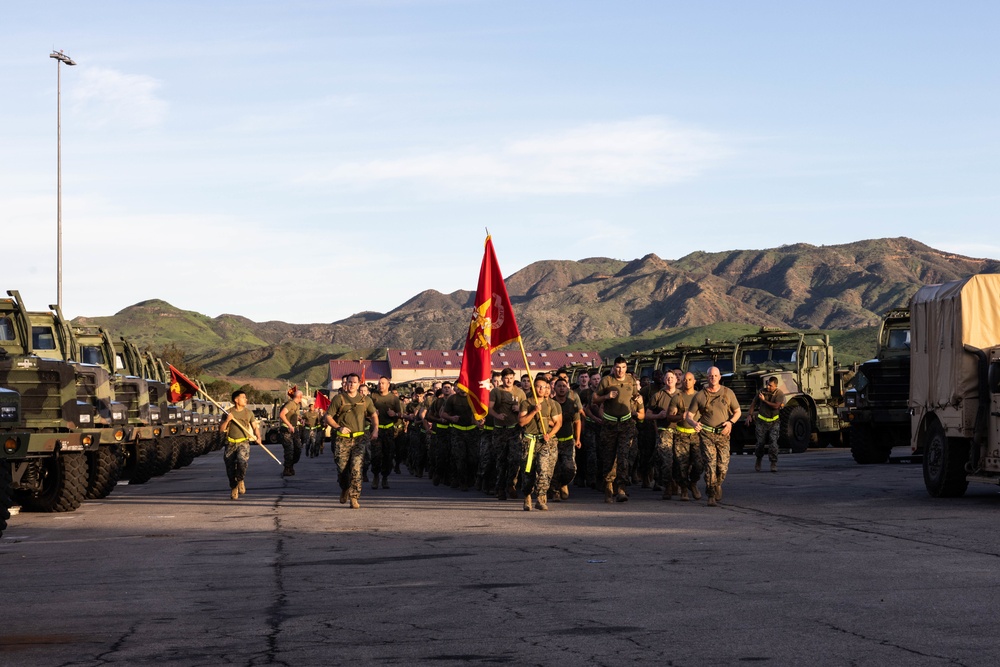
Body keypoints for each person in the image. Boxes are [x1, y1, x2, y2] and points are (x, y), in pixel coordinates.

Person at [684, 367, 741, 507]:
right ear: (707, 377)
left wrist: (730, 423)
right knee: (710, 463)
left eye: (715, 375)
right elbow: (689, 415)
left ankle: (717, 484)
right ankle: (710, 494)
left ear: (720, 377)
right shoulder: (700, 395)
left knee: (722, 466)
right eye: (710, 376)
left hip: (723, 434)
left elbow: (737, 412)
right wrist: (693, 423)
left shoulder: (728, 393)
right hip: (706, 434)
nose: (713, 378)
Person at [592, 357, 644, 503]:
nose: (620, 370)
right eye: (617, 367)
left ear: (626, 367)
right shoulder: (606, 381)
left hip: (626, 423)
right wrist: (606, 396)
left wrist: (639, 400)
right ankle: (608, 487)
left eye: (623, 367)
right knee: (608, 457)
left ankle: (621, 488)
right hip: (609, 424)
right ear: (613, 368)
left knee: (623, 456)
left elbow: (634, 396)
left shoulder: (630, 380)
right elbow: (594, 399)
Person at [325, 373, 379, 509]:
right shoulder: (339, 399)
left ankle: (354, 497)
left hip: (359, 439)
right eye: (349, 382)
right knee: (342, 469)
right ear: (345, 383)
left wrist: (375, 429)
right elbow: (328, 417)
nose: (351, 384)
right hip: (342, 440)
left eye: (354, 382)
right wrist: (338, 427)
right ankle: (344, 488)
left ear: (358, 383)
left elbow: (373, 414)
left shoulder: (365, 400)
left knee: (356, 468)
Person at [518, 375, 562, 511]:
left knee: (543, 470)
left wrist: (550, 434)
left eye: (544, 387)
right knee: (528, 472)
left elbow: (558, 423)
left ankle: (541, 498)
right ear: (534, 387)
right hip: (529, 442)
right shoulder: (527, 403)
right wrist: (534, 411)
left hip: (543, 442)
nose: (541, 389)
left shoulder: (552, 404)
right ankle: (527, 496)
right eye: (538, 386)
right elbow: (522, 422)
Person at [490, 368, 526, 500]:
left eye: (511, 378)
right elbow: (489, 408)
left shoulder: (520, 392)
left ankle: (511, 484)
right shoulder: (496, 391)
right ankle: (500, 488)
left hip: (515, 430)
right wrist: (497, 415)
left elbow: (526, 409)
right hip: (500, 430)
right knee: (501, 460)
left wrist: (519, 409)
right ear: (502, 379)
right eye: (506, 378)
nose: (509, 380)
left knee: (515, 459)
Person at [219, 389, 262, 500]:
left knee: (242, 462)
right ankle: (234, 487)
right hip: (230, 443)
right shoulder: (228, 412)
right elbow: (221, 429)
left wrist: (259, 437)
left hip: (243, 442)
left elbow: (255, 427)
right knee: (230, 469)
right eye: (243, 397)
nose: (245, 399)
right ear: (236, 400)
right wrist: (228, 420)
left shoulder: (249, 413)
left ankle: (240, 479)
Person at [644, 369, 680, 499]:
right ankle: (668, 485)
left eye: (672, 377)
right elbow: (647, 415)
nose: (669, 379)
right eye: (667, 377)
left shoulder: (681, 395)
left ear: (676, 380)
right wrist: (658, 415)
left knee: (680, 460)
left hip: (680, 432)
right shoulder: (658, 396)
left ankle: (678, 482)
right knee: (666, 460)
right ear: (664, 380)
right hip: (664, 431)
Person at [440, 385, 481, 491]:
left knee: (473, 458)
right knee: (460, 458)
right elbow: (443, 414)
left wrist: (480, 420)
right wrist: (451, 418)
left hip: (472, 431)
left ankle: (471, 478)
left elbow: (482, 412)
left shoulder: (474, 397)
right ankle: (462, 482)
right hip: (458, 432)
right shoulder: (452, 399)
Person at [670, 372, 701, 501]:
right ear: (681, 382)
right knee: (682, 465)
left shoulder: (700, 396)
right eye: (684, 380)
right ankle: (684, 489)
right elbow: (669, 416)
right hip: (681, 434)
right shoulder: (677, 397)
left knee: (700, 464)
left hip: (696, 435)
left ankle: (692, 483)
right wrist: (678, 416)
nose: (687, 382)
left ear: (694, 381)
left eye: (689, 380)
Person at [551, 376, 582, 500]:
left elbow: (577, 422)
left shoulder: (571, 404)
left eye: (564, 386)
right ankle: (555, 491)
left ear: (568, 388)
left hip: (568, 441)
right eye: (559, 386)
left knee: (570, 468)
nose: (562, 388)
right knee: (554, 467)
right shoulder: (551, 403)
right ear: (554, 388)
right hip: (554, 440)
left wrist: (578, 438)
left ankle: (563, 483)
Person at [370, 376, 402, 489]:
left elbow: (400, 415)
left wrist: (395, 414)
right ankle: (375, 476)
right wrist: (372, 414)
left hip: (388, 430)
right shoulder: (373, 396)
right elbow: (366, 412)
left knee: (388, 456)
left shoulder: (394, 399)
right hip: (376, 430)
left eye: (383, 383)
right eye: (379, 383)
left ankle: (385, 477)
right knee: (375, 455)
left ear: (388, 385)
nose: (380, 385)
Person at [747, 376, 784, 473]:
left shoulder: (779, 394)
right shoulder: (761, 392)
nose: (768, 387)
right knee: (760, 443)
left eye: (770, 385)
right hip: (761, 422)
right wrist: (750, 415)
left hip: (774, 422)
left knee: (773, 442)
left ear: (775, 385)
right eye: (767, 384)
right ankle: (758, 459)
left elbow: (776, 406)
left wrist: (764, 400)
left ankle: (773, 462)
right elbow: (753, 403)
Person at [278, 387, 304, 477]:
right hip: (286, 430)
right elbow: (282, 414)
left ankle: (291, 465)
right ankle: (287, 468)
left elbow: (296, 415)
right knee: (289, 450)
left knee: (298, 449)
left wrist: (300, 419)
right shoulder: (290, 404)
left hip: (294, 430)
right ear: (300, 397)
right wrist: (289, 425)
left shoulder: (297, 405)